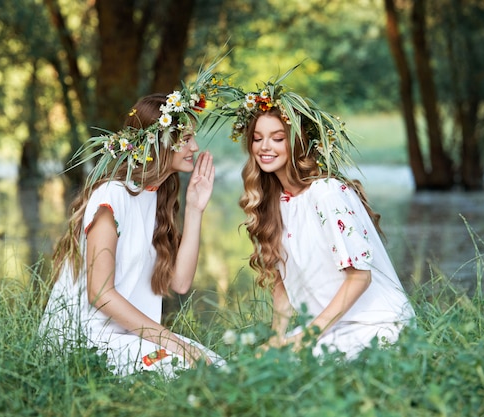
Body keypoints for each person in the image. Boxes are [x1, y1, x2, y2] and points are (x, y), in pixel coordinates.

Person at [39, 66, 235, 377]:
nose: (194, 148)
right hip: (89, 340)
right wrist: (174, 343)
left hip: (133, 336)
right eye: (185, 139)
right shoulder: (112, 197)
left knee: (221, 369)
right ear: (158, 141)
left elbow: (180, 283)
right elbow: (100, 294)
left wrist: (196, 208)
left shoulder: (157, 197)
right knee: (193, 371)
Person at [231, 67, 415, 359]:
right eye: (257, 138)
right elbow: (282, 284)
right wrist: (277, 338)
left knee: (299, 366)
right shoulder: (274, 203)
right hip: (327, 327)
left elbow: (359, 278)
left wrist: (307, 337)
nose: (264, 147)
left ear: (297, 143)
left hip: (375, 324)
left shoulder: (327, 193)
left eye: (278, 138)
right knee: (262, 363)